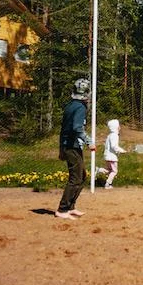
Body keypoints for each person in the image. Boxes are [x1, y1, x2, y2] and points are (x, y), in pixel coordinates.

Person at [56, 78, 94, 220]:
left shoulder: (70, 105)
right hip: (72, 146)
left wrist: (61, 148)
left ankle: (71, 207)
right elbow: (77, 128)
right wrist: (89, 142)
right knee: (76, 177)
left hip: (69, 145)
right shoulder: (80, 107)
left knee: (81, 175)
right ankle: (62, 208)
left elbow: (63, 129)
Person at [96, 119, 127, 189]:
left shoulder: (110, 135)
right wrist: (121, 150)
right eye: (118, 125)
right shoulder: (114, 135)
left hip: (108, 156)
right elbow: (114, 146)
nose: (120, 127)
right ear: (115, 127)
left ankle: (99, 170)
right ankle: (108, 184)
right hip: (111, 157)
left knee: (109, 170)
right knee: (114, 171)